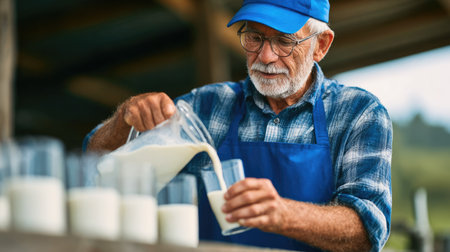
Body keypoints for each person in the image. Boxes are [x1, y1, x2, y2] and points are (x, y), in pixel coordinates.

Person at [84, 0, 392, 251]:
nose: (266, 57)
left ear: (321, 45)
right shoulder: (206, 106)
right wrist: (126, 118)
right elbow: (95, 160)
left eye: (284, 41)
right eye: (254, 38)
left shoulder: (358, 113)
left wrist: (284, 214)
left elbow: (368, 230)